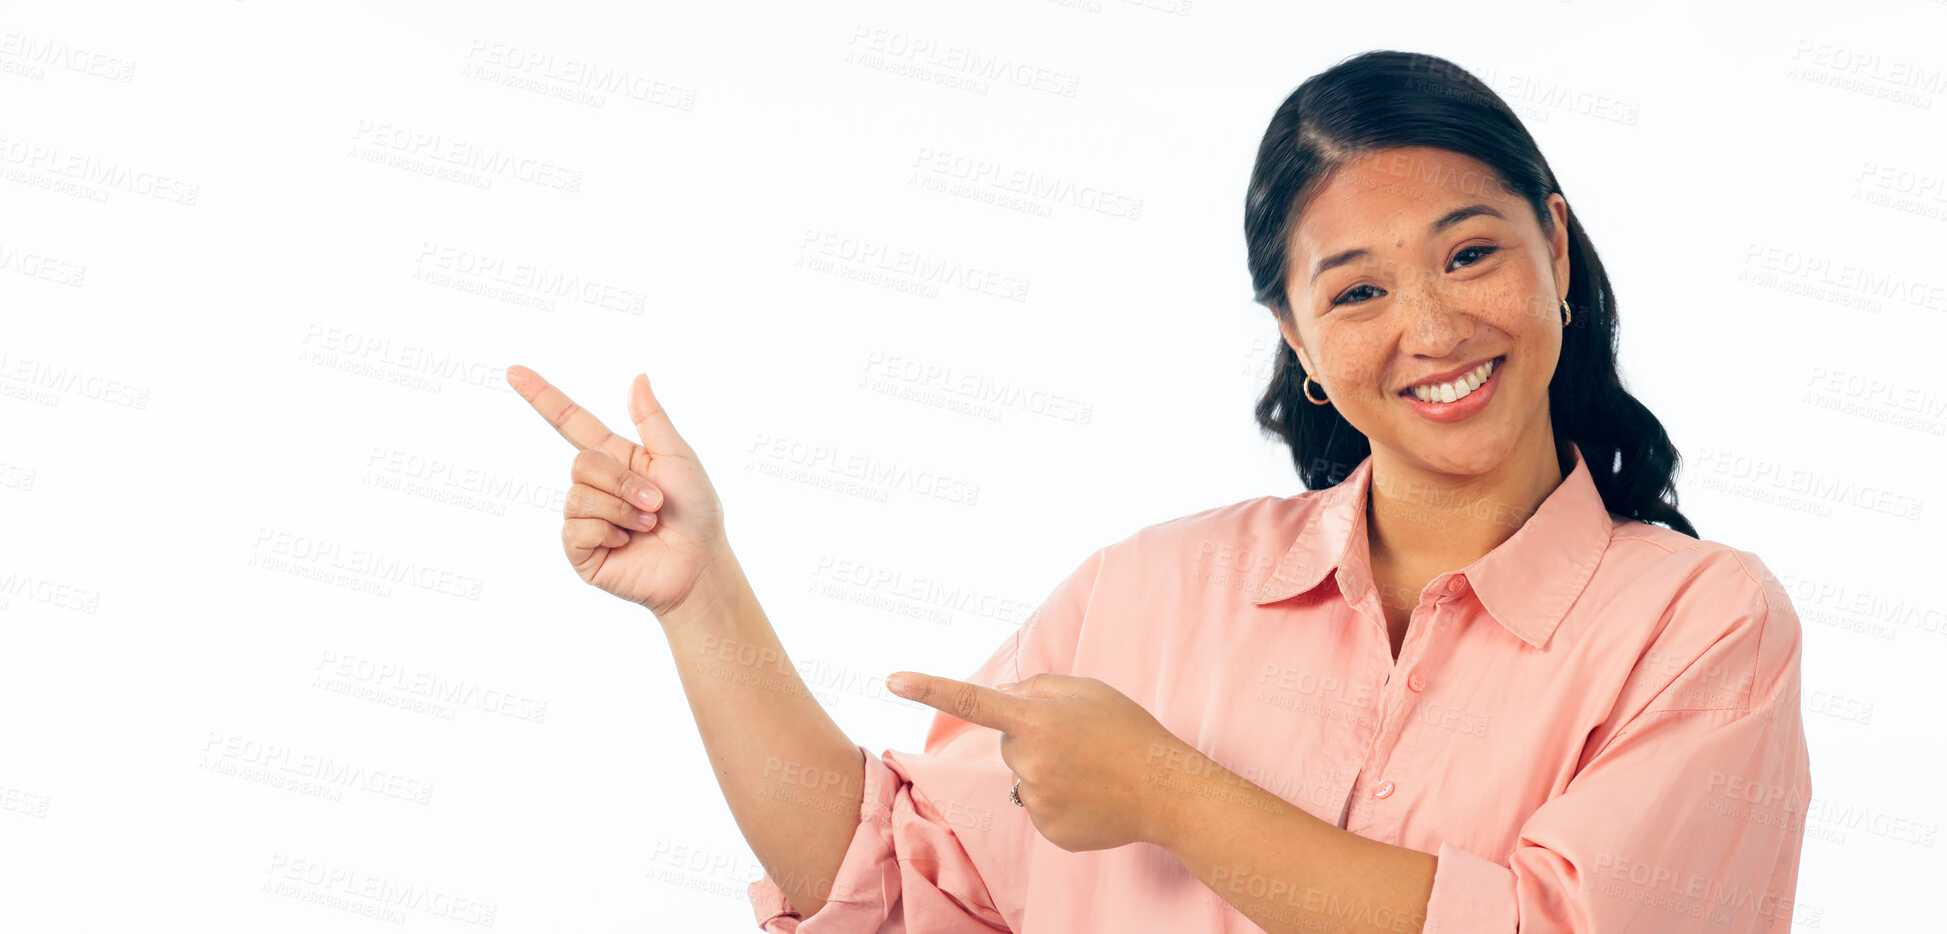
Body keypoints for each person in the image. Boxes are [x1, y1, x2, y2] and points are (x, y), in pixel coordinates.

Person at [506, 49, 1812, 933]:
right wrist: (698, 592)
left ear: (1557, 248)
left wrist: (1174, 795)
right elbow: (893, 894)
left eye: (1470, 253)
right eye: (1355, 289)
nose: (1430, 326)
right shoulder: (1153, 594)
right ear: (1296, 338)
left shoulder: (1700, 626)